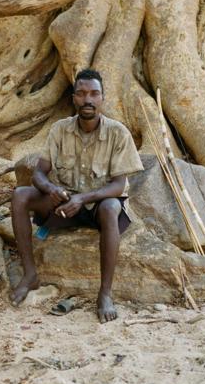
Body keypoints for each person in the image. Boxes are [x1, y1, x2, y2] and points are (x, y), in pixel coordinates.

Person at [10, 68, 144, 323]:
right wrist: (51, 190)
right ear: (73, 98)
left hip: (97, 206)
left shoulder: (118, 133)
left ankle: (105, 293)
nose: (88, 100)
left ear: (103, 98)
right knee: (20, 195)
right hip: (63, 204)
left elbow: (118, 185)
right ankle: (30, 274)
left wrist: (82, 199)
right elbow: (39, 173)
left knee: (110, 207)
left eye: (94, 94)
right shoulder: (59, 130)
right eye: (81, 94)